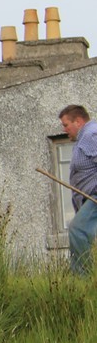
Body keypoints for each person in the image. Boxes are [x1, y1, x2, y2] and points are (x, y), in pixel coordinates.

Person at [59, 104, 97, 274]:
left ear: (79, 121)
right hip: (88, 198)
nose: (64, 129)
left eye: (66, 125)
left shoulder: (90, 135)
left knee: (78, 229)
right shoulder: (84, 138)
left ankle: (82, 276)